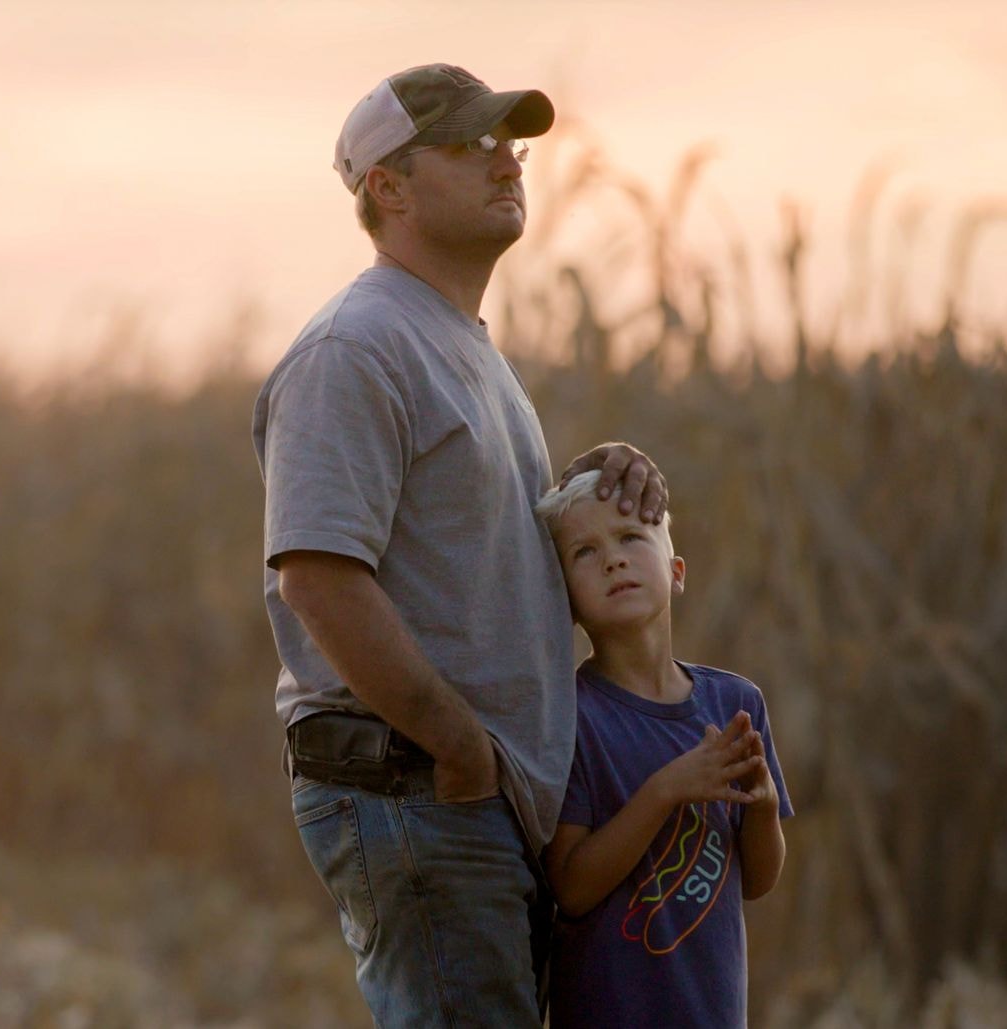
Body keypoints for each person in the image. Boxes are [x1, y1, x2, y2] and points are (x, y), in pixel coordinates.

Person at [252, 63, 667, 1025]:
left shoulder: (459, 345)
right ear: (387, 187)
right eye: (470, 145)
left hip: (468, 799)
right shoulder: (355, 348)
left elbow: (479, 567)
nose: (508, 162)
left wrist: (599, 493)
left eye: (510, 144)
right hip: (420, 789)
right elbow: (319, 577)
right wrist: (460, 750)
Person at [534, 469, 792, 1028]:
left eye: (630, 537)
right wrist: (667, 790)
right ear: (567, 602)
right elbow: (571, 889)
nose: (613, 560)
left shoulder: (735, 703)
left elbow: (758, 880)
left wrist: (765, 808)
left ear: (676, 572)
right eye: (585, 552)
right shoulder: (571, 716)